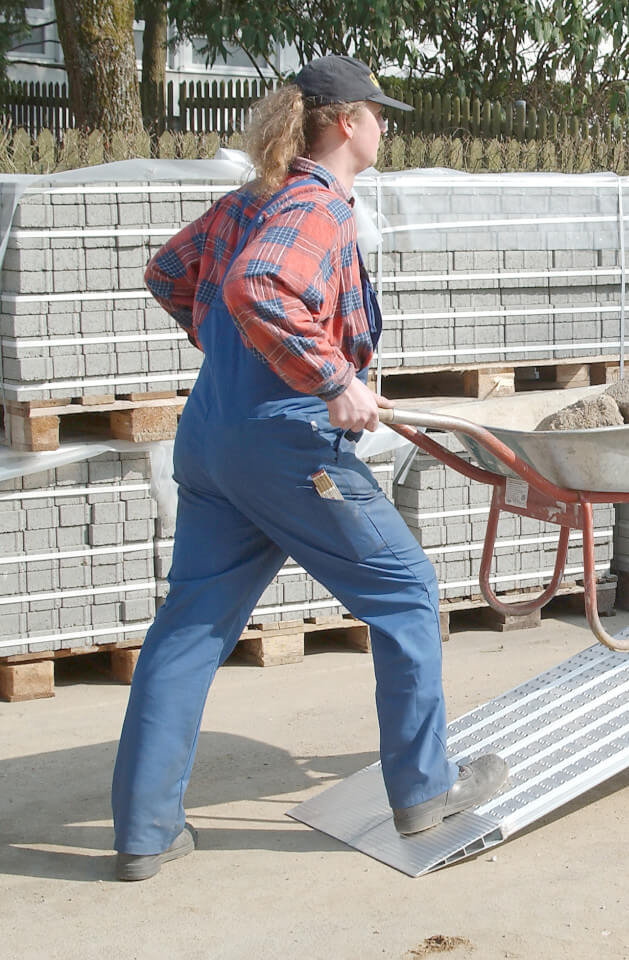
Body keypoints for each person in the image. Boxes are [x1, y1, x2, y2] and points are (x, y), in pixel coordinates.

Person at [111, 55, 506, 882]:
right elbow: (263, 286)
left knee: (190, 626)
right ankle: (425, 791)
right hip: (285, 445)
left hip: (212, 438)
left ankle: (144, 834)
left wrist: (236, 358)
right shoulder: (315, 206)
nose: (385, 127)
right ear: (344, 123)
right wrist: (330, 377)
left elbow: (166, 272)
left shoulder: (252, 198)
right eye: (378, 114)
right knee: (404, 591)